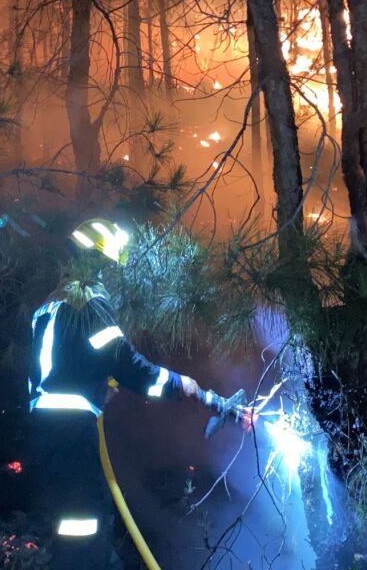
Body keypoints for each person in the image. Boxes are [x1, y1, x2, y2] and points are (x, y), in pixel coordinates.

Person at [24, 218, 230, 567]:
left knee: (73, 520)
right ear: (99, 262)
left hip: (47, 427)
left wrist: (93, 386)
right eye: (110, 267)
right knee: (85, 523)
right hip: (71, 430)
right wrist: (181, 384)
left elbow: (60, 366)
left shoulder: (50, 305)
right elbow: (128, 366)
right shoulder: (88, 303)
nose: (111, 277)